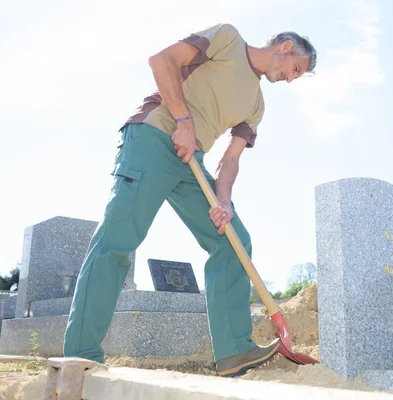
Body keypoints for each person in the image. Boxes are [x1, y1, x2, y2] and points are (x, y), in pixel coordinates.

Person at [63, 23, 317, 377]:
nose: (291, 79)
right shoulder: (228, 39)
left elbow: (230, 160)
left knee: (232, 240)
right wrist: (183, 120)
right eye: (296, 70)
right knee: (117, 242)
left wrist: (223, 201)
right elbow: (161, 60)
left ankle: (234, 351)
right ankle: (80, 355)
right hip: (155, 135)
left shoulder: (256, 105)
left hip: (190, 162)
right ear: (286, 46)